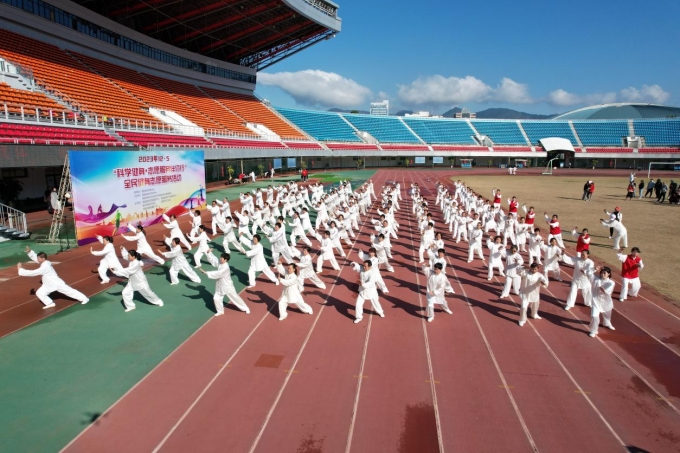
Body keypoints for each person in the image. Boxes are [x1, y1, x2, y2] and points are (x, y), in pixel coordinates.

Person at [17, 247, 89, 309]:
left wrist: (20, 269)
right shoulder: (44, 262)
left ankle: (84, 298)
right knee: (40, 293)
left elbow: (33, 273)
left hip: (56, 283)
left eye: (39, 258)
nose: (37, 259)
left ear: (43, 258)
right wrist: (30, 252)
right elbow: (36, 258)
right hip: (48, 285)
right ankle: (50, 303)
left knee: (69, 291)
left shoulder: (45, 266)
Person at [587, 266, 616, 337]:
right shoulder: (595, 279)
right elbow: (588, 273)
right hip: (596, 302)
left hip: (606, 303)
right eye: (601, 273)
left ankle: (607, 323)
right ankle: (593, 330)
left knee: (607, 316)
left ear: (608, 274)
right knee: (594, 316)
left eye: (604, 273)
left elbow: (608, 289)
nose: (602, 274)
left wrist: (604, 290)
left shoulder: (611, 282)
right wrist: (594, 269)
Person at [517, 263, 549, 327]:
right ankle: (522, 320)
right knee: (523, 307)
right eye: (532, 269)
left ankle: (534, 314)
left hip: (535, 294)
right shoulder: (525, 273)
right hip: (525, 293)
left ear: (537, 269)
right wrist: (523, 267)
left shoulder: (539, 275)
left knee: (535, 305)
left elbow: (545, 281)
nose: (533, 271)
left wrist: (544, 283)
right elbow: (517, 271)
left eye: (535, 269)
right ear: (530, 268)